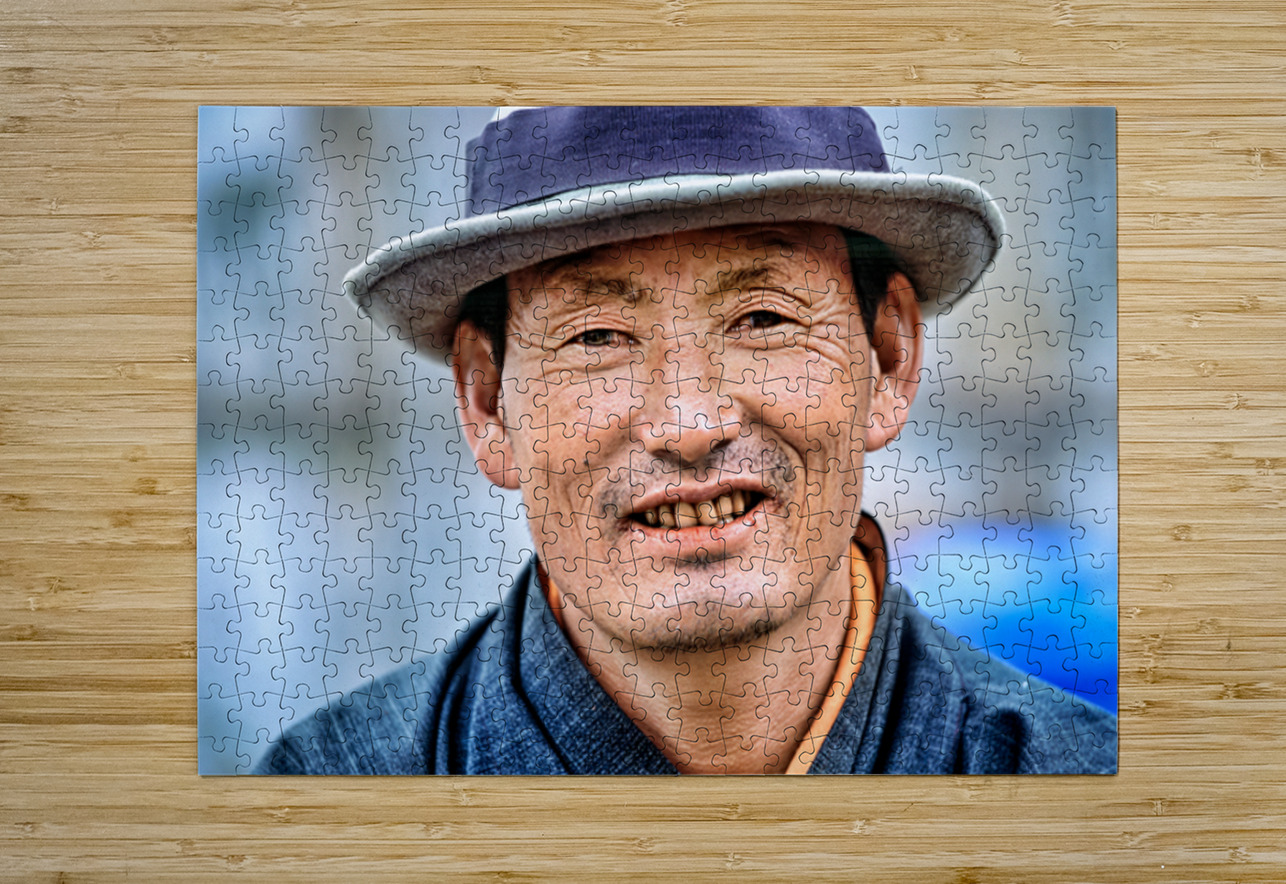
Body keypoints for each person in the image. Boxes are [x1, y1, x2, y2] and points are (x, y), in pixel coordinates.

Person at [257, 106, 1117, 775]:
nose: (689, 425)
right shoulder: (325, 798)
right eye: (595, 337)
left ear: (888, 358)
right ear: (487, 404)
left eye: (764, 318)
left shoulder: (1084, 788)